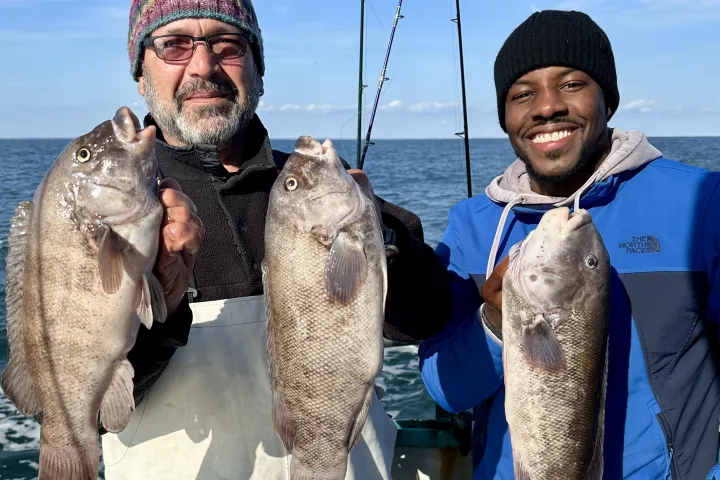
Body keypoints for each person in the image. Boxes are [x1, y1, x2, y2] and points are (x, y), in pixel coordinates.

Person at [100, 1, 452, 479]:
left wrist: (375, 238)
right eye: (175, 45)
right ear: (141, 75)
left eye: (228, 45)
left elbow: (429, 316)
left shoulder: (318, 184)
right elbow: (83, 404)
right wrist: (163, 300)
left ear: (258, 71)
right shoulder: (105, 210)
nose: (204, 67)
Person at [418, 9, 720, 480]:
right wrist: (495, 322)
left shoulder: (700, 203)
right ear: (505, 116)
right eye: (522, 94)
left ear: (609, 99)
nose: (546, 107)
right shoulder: (472, 226)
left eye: (572, 84)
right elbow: (447, 391)